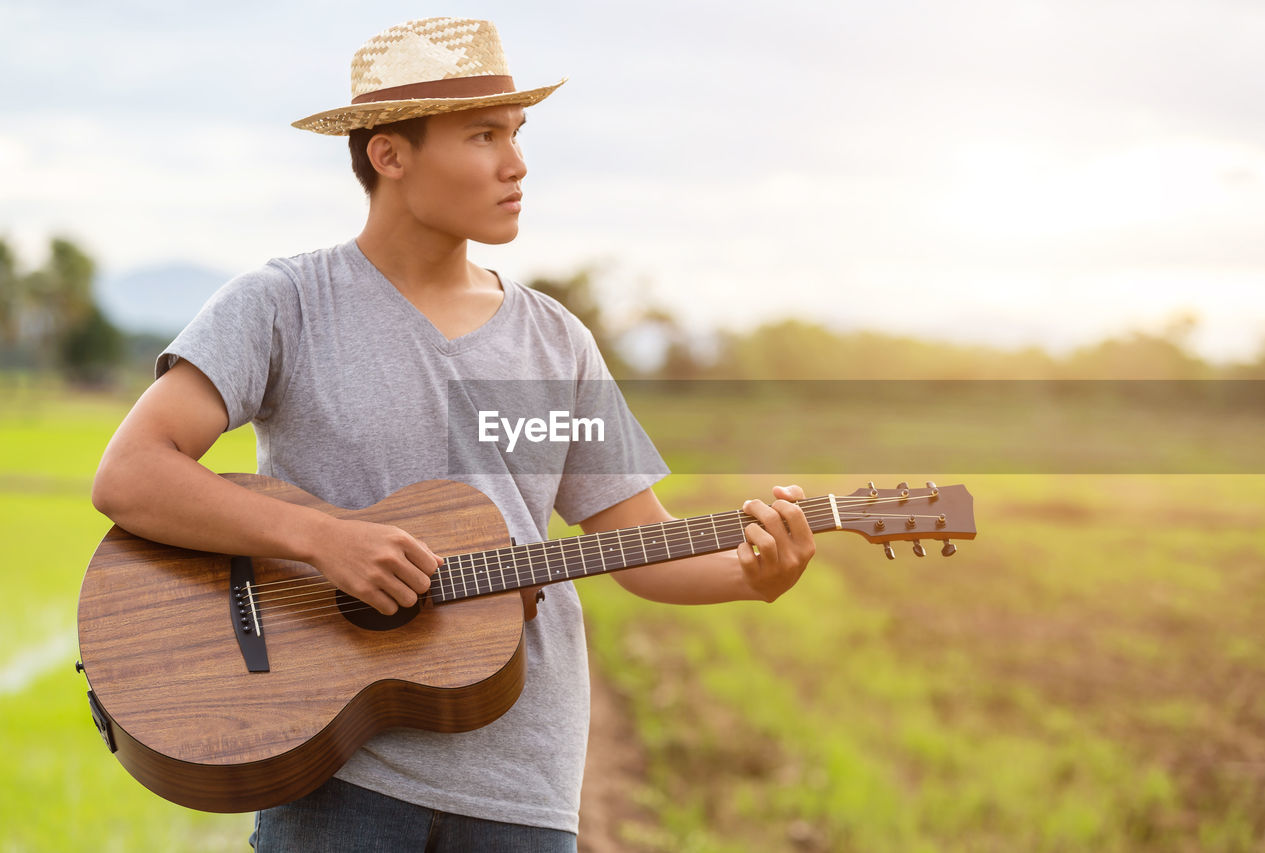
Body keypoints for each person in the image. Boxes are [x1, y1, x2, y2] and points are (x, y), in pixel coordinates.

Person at [91, 17, 816, 852]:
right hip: (339, 771)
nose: (517, 163)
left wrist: (754, 574)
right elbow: (132, 474)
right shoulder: (282, 304)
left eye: (514, 133)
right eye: (482, 135)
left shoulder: (555, 341)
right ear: (389, 154)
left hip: (522, 785)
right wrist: (325, 540)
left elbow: (639, 543)